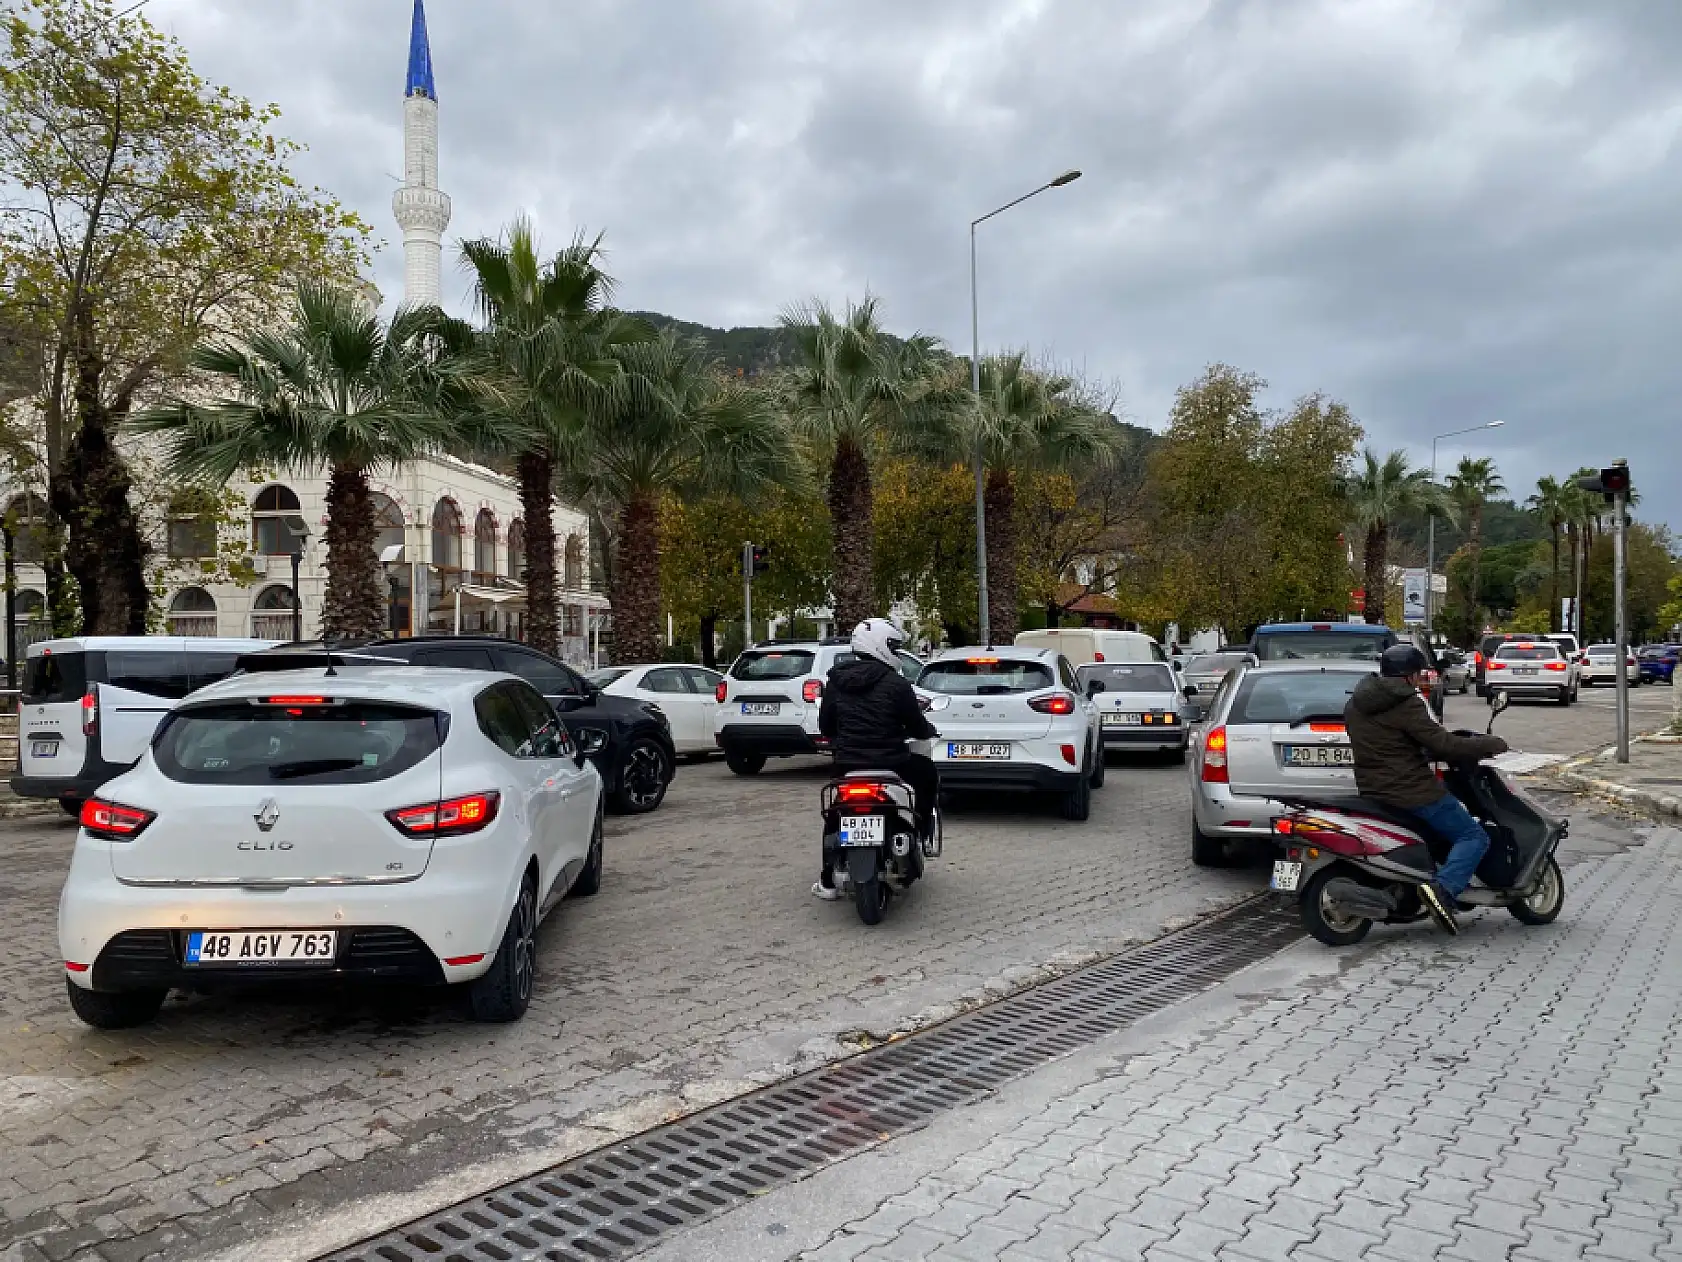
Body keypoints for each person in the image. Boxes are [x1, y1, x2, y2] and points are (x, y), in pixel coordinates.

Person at [1344, 644, 1508, 935]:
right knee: (1473, 836)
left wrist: (1421, 752)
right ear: (1408, 676)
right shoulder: (1405, 703)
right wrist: (1490, 745)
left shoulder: (1356, 702)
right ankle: (1443, 891)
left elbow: (1388, 743)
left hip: (1372, 790)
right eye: (1418, 675)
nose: (1420, 680)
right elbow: (1444, 744)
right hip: (1413, 792)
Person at [814, 617, 940, 901]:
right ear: (880, 646)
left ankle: (827, 879)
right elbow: (917, 725)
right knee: (927, 774)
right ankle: (922, 833)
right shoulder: (897, 684)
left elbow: (825, 726)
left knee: (835, 813)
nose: (896, 652)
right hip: (891, 763)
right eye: (894, 646)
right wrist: (927, 729)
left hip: (848, 764)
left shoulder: (835, 682)